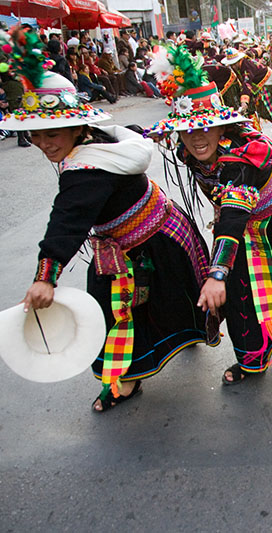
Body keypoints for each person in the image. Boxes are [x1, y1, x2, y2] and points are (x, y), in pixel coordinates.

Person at [1, 31, 216, 412]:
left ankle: (125, 379)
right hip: (164, 229)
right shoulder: (103, 138)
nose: (43, 143)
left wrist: (44, 276)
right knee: (167, 300)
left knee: (120, 312)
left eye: (51, 133)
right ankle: (139, 367)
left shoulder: (86, 168)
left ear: (75, 127)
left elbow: (66, 222)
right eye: (34, 135)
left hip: (150, 241)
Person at [147, 44, 272, 383]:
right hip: (240, 221)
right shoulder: (193, 151)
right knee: (243, 296)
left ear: (222, 128)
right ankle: (252, 360)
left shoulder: (240, 161)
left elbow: (232, 213)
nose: (197, 137)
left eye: (205, 128)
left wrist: (217, 272)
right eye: (187, 130)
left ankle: (265, 342)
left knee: (261, 287)